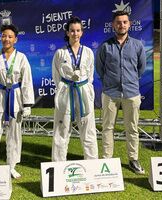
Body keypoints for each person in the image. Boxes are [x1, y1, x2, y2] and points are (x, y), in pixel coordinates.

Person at [0, 24, 34, 179]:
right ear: (0, 37)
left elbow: (27, 82)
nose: (6, 39)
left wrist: (27, 104)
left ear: (15, 39)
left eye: (10, 36)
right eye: (4, 36)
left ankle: (11, 166)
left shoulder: (22, 58)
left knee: (14, 135)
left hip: (15, 99)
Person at [96, 10, 146, 174]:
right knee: (107, 128)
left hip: (131, 93)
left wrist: (130, 81)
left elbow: (141, 68)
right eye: (118, 22)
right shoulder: (105, 46)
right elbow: (100, 69)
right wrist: (110, 83)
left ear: (129, 24)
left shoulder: (138, 45)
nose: (121, 25)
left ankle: (133, 159)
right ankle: (107, 160)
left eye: (124, 22)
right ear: (113, 25)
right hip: (110, 93)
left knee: (132, 128)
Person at [51, 16, 98, 161]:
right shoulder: (60, 53)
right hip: (66, 91)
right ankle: (58, 164)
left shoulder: (88, 52)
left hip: (83, 91)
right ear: (67, 32)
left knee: (88, 129)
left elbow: (90, 75)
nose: (75, 34)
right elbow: (56, 75)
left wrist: (87, 90)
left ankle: (92, 163)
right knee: (61, 129)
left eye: (78, 30)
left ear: (82, 32)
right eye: (72, 31)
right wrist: (63, 88)